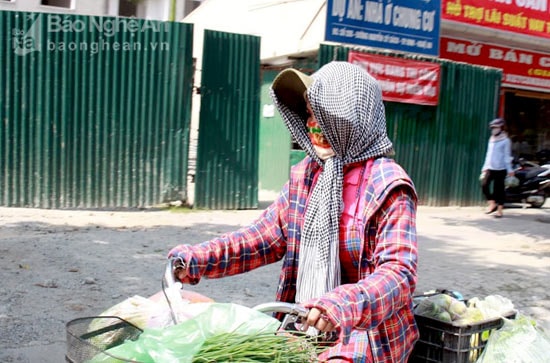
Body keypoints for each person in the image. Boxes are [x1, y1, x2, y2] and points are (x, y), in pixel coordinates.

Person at [168, 61, 419, 362]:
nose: (313, 125)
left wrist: (342, 303)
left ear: (353, 118)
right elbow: (262, 237)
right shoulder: (308, 174)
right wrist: (199, 258)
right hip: (306, 326)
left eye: (322, 116)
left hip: (368, 336)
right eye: (310, 115)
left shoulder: (388, 185)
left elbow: (398, 274)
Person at [481, 118, 514, 218]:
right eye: (492, 128)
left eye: (495, 127)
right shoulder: (491, 139)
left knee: (499, 190)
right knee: (484, 184)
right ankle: (492, 203)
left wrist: (510, 170)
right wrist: (485, 167)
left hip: (501, 168)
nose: (493, 129)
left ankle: (499, 210)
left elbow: (507, 156)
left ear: (501, 128)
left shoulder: (506, 140)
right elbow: (488, 154)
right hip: (490, 167)